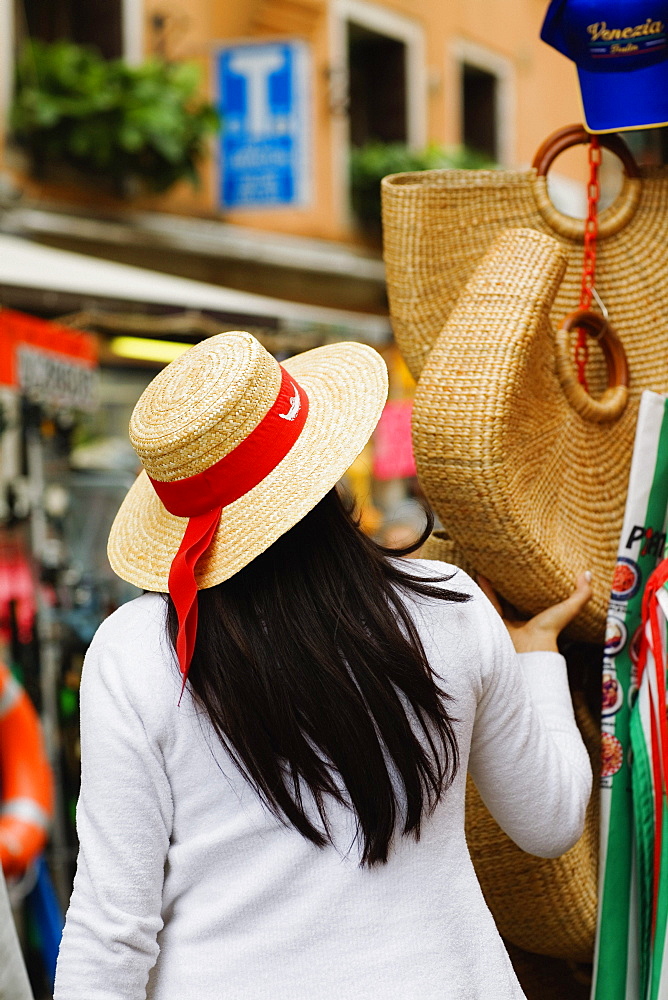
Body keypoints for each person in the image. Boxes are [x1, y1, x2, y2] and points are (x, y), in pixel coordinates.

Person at [53, 331, 592, 1000]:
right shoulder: (452, 608)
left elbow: (112, 931)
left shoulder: (134, 653)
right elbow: (550, 820)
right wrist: (539, 658)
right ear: (320, 464)